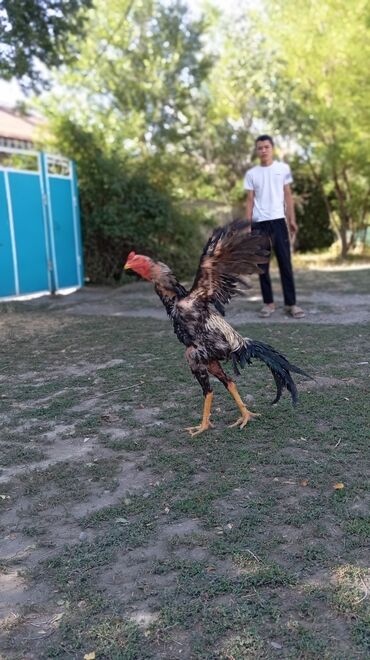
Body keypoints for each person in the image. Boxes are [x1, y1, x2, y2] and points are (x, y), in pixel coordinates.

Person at [244, 134, 305, 319]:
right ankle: (268, 303)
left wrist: (291, 218)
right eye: (260, 148)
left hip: (279, 221)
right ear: (256, 150)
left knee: (285, 263)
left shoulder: (282, 169)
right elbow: (249, 200)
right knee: (262, 266)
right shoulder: (251, 174)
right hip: (259, 223)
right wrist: (248, 224)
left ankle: (291, 304)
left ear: (272, 148)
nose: (263, 150)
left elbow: (288, 195)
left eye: (266, 147)